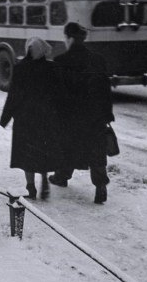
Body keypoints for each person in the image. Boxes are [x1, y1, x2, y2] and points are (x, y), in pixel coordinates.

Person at [48, 23, 115, 204]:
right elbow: (105, 90)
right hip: (94, 115)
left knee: (68, 145)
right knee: (96, 151)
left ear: (69, 38)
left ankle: (61, 176)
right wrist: (107, 115)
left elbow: (56, 93)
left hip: (70, 116)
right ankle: (100, 186)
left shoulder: (60, 61)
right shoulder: (98, 60)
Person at [0, 37, 64, 199]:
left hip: (25, 119)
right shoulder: (51, 68)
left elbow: (13, 96)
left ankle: (31, 187)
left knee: (26, 153)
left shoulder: (21, 68)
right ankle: (44, 180)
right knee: (43, 151)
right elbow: (59, 95)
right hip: (46, 118)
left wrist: (5, 118)